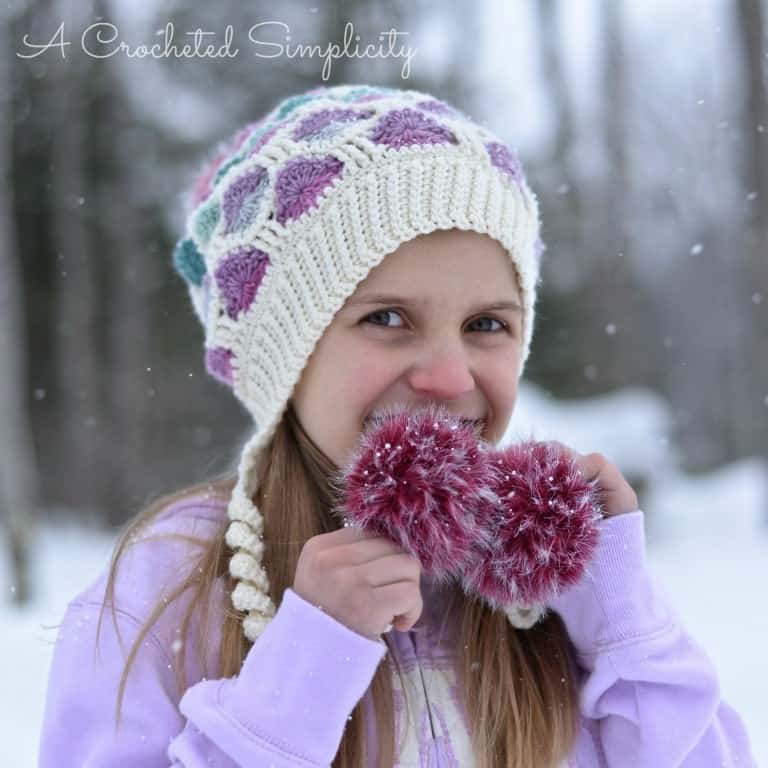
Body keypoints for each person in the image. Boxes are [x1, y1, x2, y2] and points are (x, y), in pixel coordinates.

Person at [38, 83, 756, 767]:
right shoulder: (165, 589)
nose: (448, 377)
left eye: (486, 324)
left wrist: (625, 620)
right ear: (287, 353)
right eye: (386, 318)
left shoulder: (552, 588)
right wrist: (296, 681)